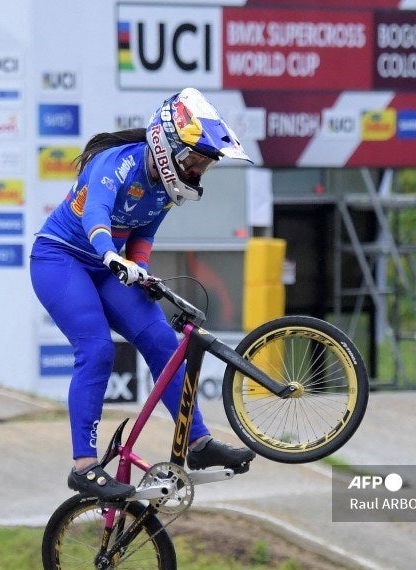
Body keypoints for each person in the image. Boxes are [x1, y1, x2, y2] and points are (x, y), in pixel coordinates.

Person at [30, 88, 256, 500]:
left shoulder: (167, 188)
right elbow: (96, 213)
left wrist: (140, 270)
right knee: (97, 349)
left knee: (162, 343)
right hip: (60, 259)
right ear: (167, 146)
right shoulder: (114, 164)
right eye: (195, 161)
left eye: (204, 166)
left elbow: (144, 233)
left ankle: (198, 444)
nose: (197, 171)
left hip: (108, 265)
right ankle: (84, 466)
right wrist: (111, 257)